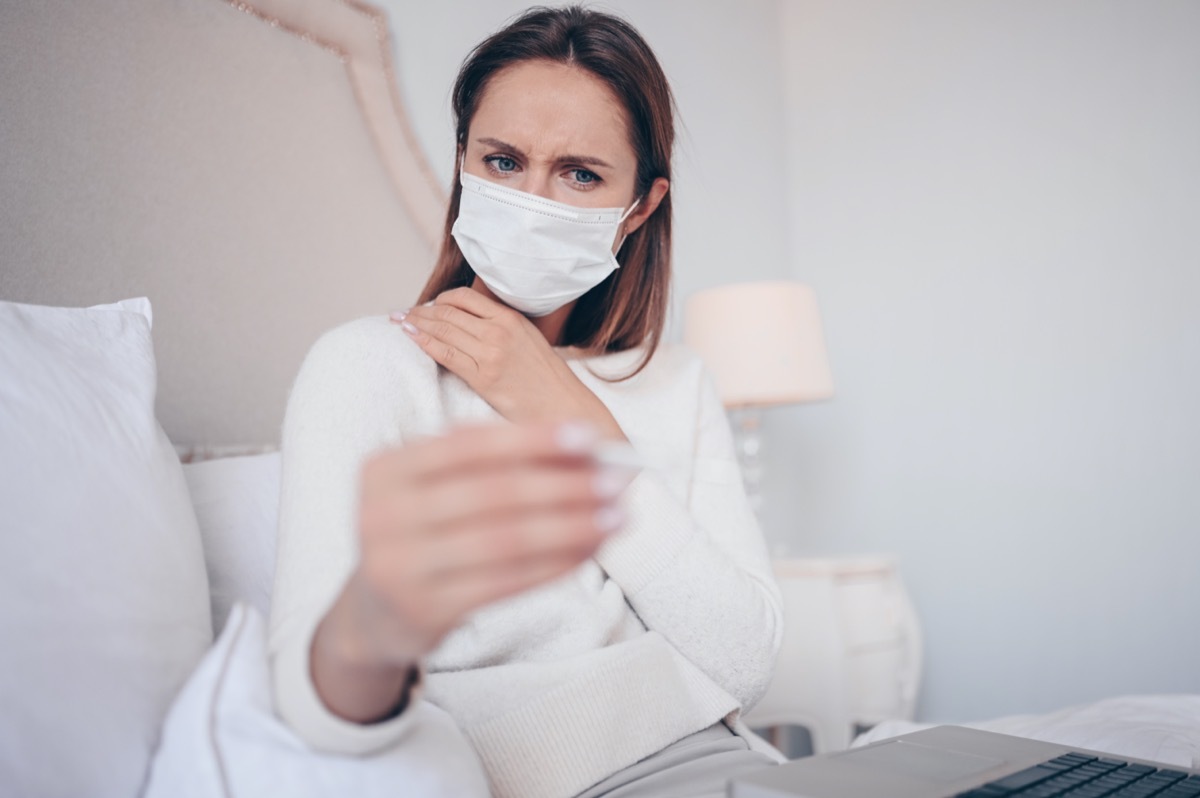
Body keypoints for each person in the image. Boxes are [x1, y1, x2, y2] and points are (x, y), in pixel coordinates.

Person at [268, 6, 785, 797]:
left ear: (638, 209)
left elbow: (746, 663)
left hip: (732, 765)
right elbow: (314, 709)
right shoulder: (367, 367)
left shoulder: (676, 382)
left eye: (580, 174)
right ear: (463, 163)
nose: (532, 199)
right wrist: (382, 615)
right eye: (503, 161)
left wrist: (574, 422)